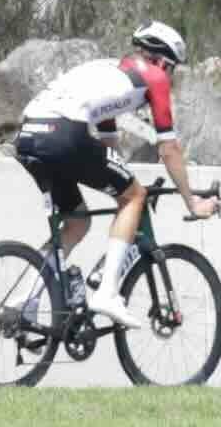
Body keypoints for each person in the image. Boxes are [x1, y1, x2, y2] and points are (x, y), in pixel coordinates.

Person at [11, 22, 210, 323]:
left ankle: (25, 300)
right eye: (173, 70)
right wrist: (191, 201)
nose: (171, 78)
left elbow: (108, 145)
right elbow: (169, 149)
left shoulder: (108, 73)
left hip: (28, 135)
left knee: (77, 223)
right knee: (134, 198)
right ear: (162, 61)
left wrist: (124, 182)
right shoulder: (154, 76)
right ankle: (107, 292)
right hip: (62, 133)